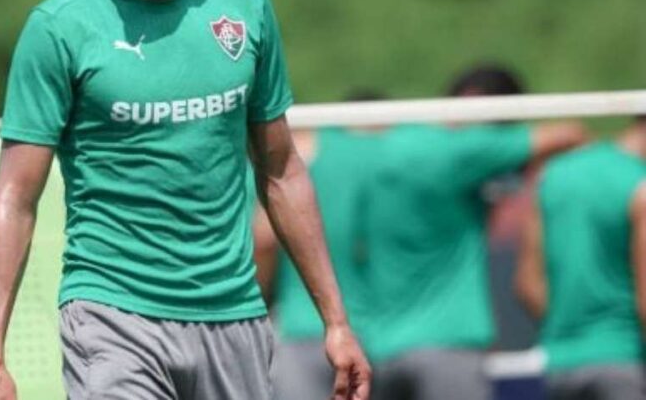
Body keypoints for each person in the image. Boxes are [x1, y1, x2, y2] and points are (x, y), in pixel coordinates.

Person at [0, 0, 371, 399]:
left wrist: (336, 322)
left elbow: (281, 173)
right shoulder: (60, 26)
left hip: (232, 314)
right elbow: (15, 195)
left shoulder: (245, 7)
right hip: (112, 313)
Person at [365, 65, 587, 400]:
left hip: (381, 350)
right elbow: (569, 135)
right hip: (450, 349)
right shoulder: (463, 151)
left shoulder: (396, 143)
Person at [254, 90, 386, 400]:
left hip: (302, 330)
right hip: (377, 332)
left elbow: (264, 240)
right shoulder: (377, 161)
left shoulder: (282, 166)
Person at [515, 115, 646, 399]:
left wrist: (574, 330)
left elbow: (528, 284)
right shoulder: (640, 185)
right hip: (625, 361)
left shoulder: (555, 176)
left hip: (560, 365)